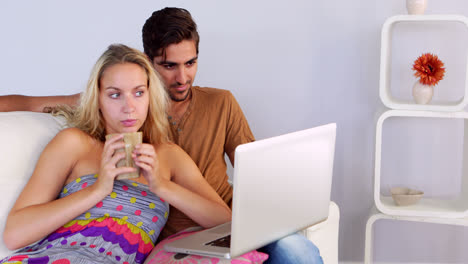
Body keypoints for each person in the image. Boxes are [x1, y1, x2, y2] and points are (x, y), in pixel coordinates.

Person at [0, 7, 323, 264]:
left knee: (296, 251)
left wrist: (162, 186)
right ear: (150, 64)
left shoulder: (202, 120)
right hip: (150, 243)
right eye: (169, 66)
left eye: (191, 63)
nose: (182, 77)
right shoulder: (84, 133)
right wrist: (101, 186)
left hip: (215, 232)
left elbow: (254, 177)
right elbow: (29, 104)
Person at [1, 44, 231, 264]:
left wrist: (162, 187)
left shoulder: (170, 156)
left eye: (138, 93)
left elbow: (228, 223)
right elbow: (15, 234)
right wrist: (98, 189)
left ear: (151, 96)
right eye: (114, 95)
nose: (128, 107)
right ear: (98, 98)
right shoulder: (74, 143)